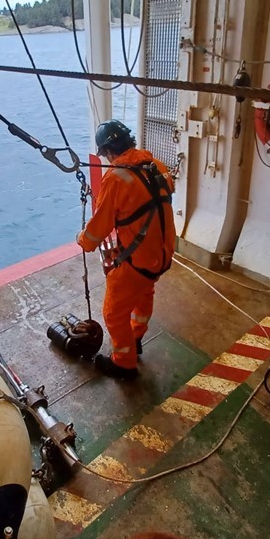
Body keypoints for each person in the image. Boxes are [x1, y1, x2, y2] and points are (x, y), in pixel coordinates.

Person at [76, 120, 176, 378]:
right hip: (162, 255)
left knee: (113, 312)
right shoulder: (157, 166)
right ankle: (136, 337)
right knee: (144, 293)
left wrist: (82, 240)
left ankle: (124, 362)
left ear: (108, 151)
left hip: (139, 260)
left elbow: (96, 232)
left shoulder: (116, 178)